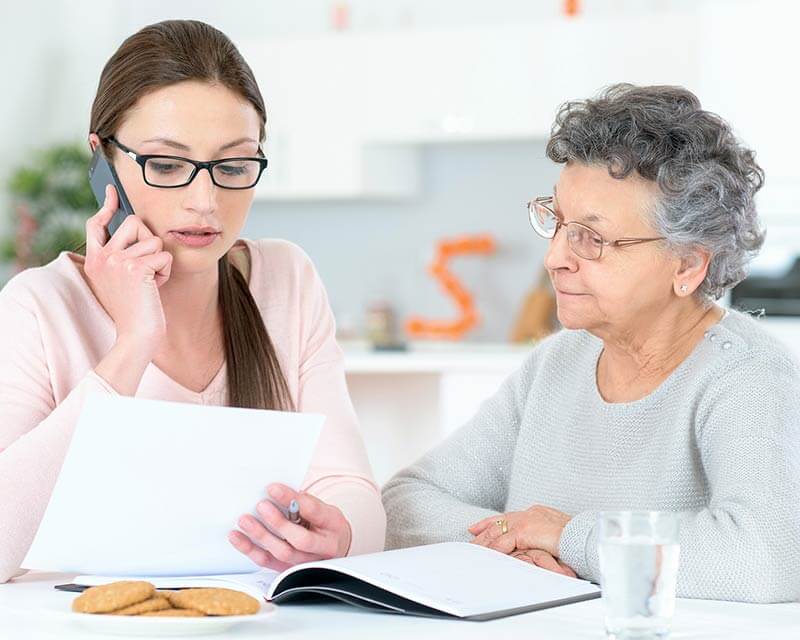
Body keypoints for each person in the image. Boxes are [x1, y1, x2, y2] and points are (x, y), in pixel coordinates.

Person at [0, 19, 385, 584]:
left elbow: (352, 491)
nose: (205, 202)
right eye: (166, 164)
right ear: (101, 159)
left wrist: (341, 531)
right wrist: (133, 344)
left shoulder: (287, 279)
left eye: (232, 166)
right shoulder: (39, 307)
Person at [382, 84, 800, 603]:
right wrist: (515, 547)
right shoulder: (556, 363)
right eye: (556, 223)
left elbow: (769, 558)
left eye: (592, 238)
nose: (554, 257)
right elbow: (405, 502)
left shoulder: (748, 375)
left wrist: (566, 537)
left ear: (688, 264)